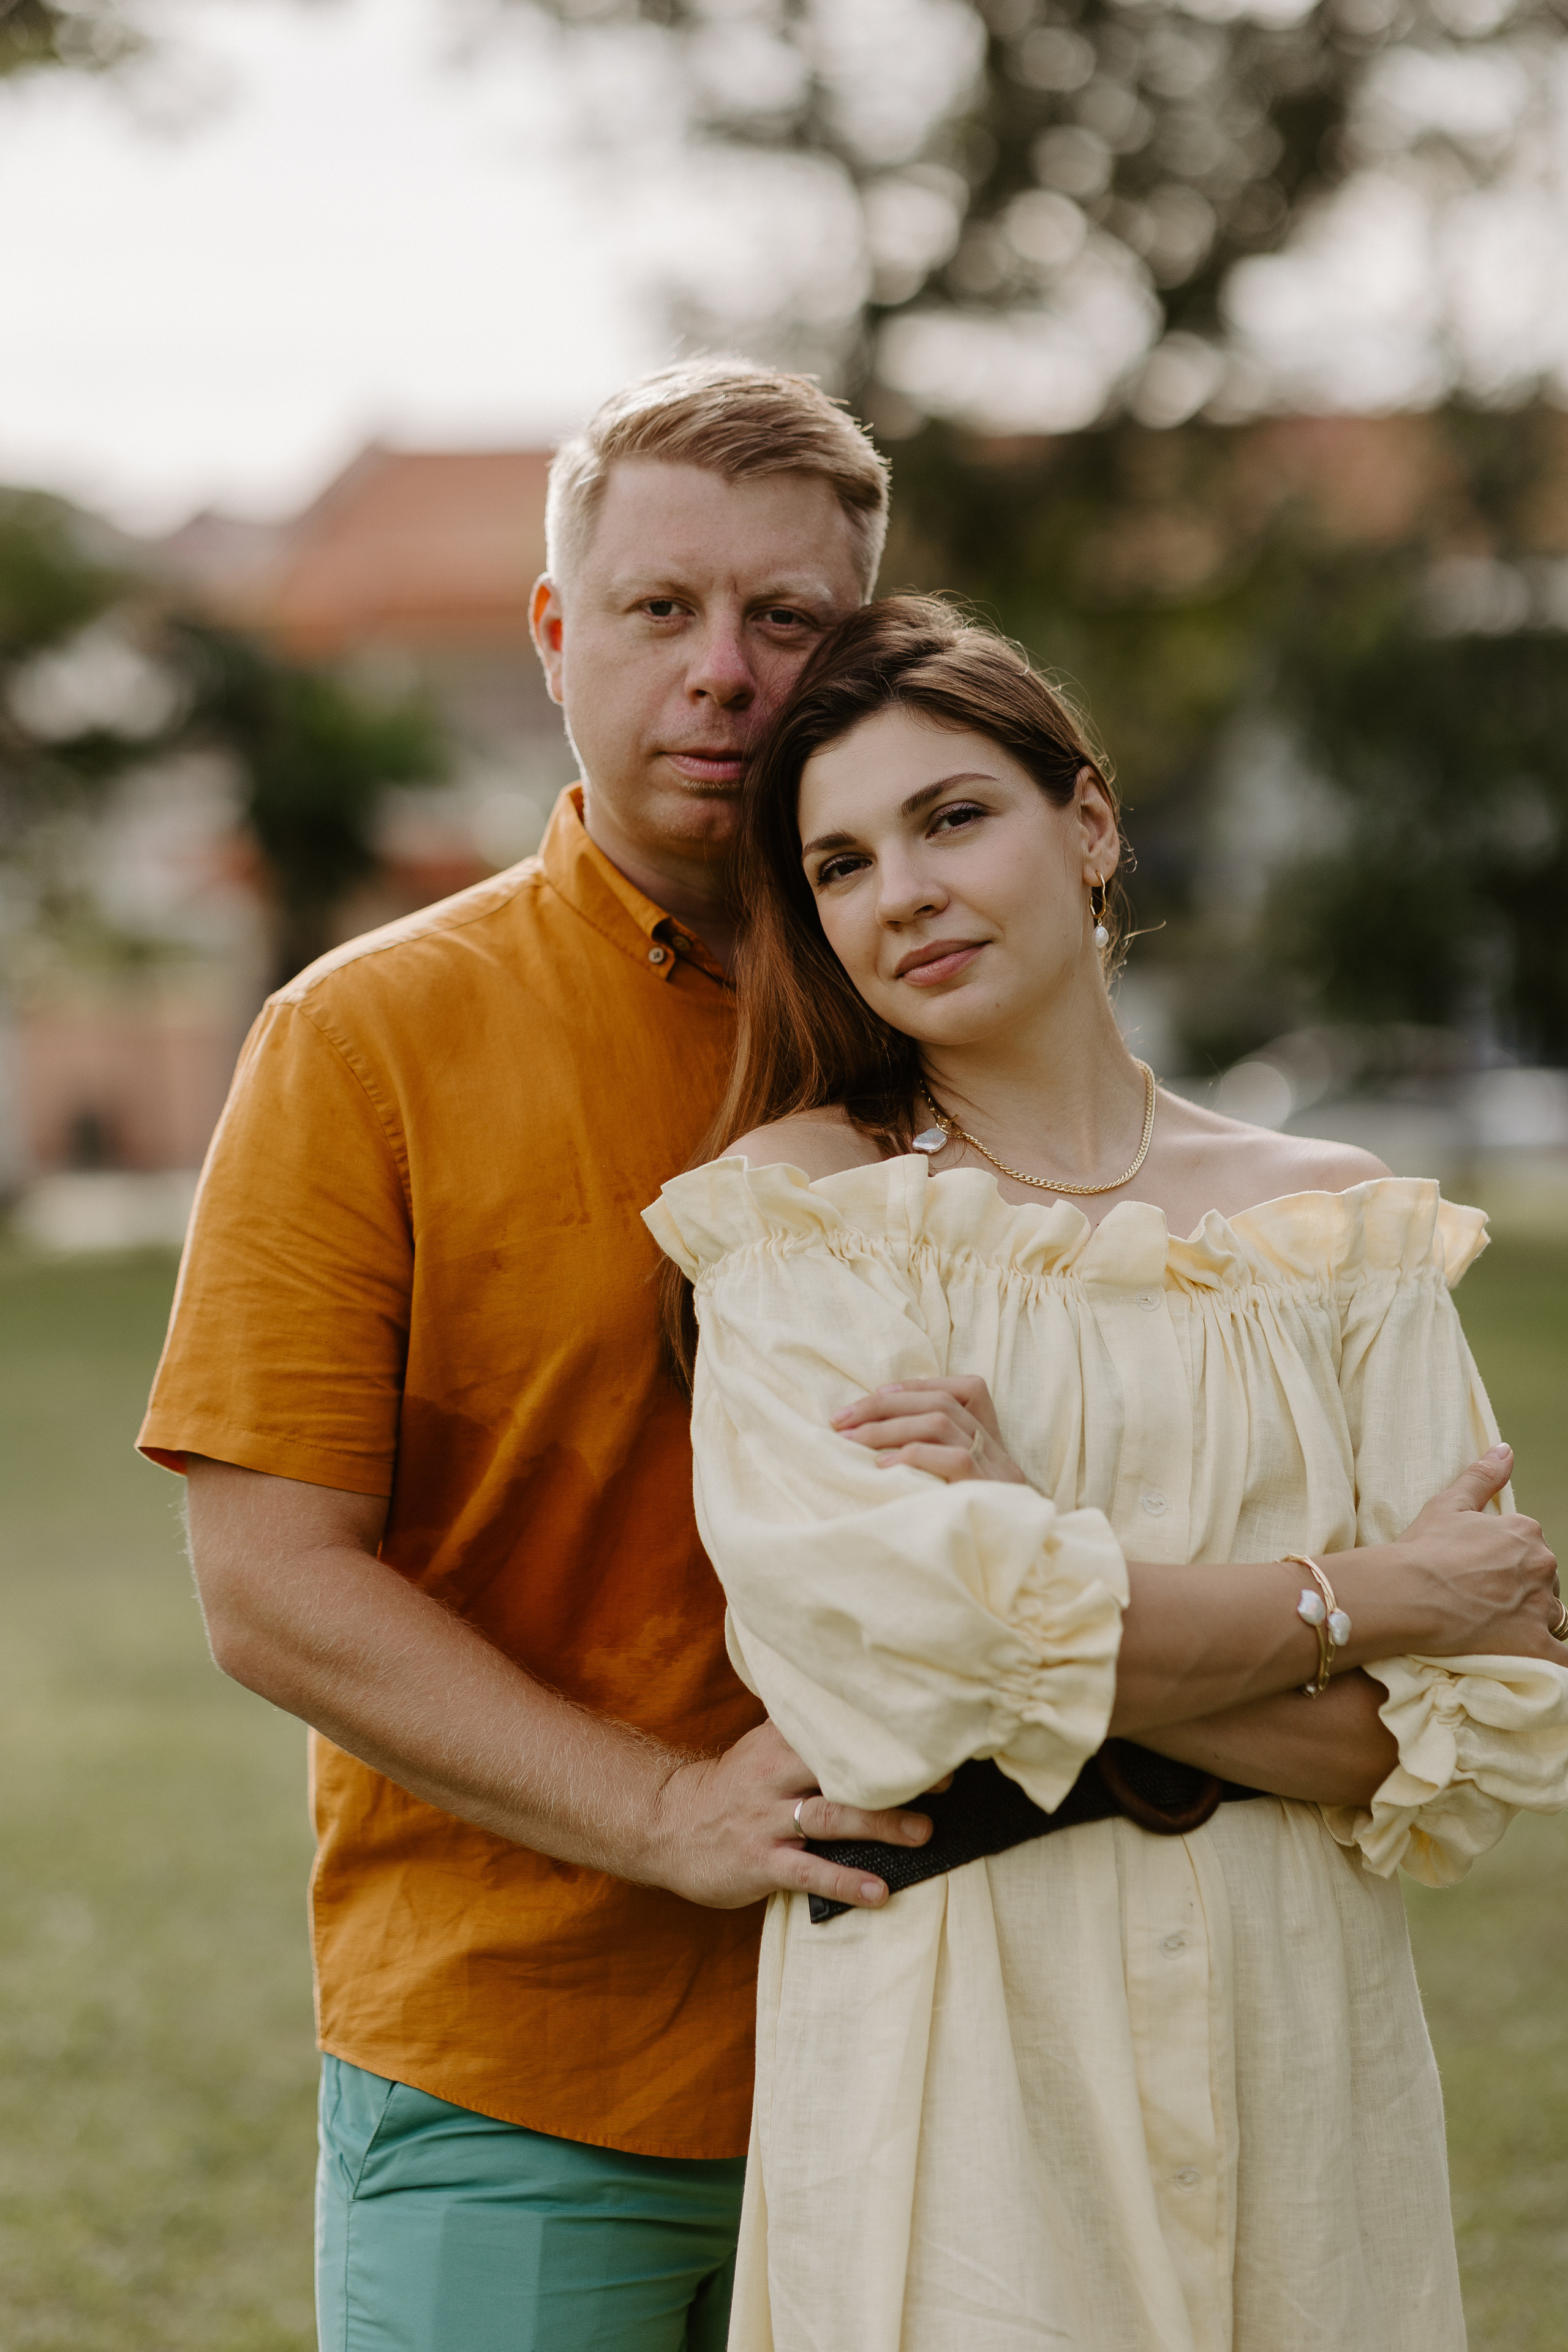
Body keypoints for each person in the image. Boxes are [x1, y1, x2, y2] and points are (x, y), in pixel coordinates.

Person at [644, 595, 1568, 2352]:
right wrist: (1367, 1602)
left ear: (1088, 824)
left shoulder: (1335, 1233)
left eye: (953, 818)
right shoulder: (808, 1227)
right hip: (967, 2043)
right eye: (839, 864)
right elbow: (898, 1663)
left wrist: (1039, 1560)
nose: (899, 892)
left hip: (1300, 2030)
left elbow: (1444, 1736)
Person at [135, 362, 942, 2352]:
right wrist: (669, 1817)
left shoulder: (957, 1033)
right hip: (520, 2070)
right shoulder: (364, 1041)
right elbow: (270, 1585)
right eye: (663, 612)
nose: (725, 676)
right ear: (557, 633)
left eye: (790, 622)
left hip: (929, 2054)